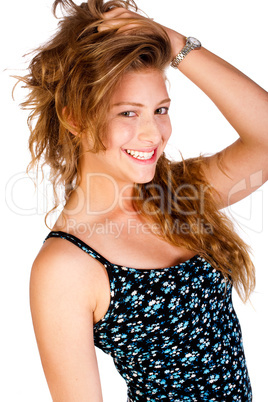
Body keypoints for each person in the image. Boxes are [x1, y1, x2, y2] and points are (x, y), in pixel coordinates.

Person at [20, 0, 268, 400]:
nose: (153, 134)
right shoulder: (66, 266)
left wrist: (175, 44)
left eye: (160, 109)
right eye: (128, 114)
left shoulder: (180, 196)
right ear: (74, 118)